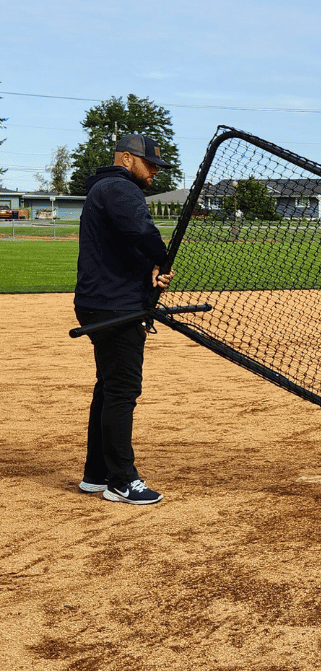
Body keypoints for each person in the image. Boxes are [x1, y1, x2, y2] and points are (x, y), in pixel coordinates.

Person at [74, 133, 175, 505]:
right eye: (150, 164)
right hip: (115, 306)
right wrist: (162, 259)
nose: (154, 173)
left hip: (101, 301)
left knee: (108, 386)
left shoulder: (104, 189)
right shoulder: (120, 188)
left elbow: (127, 244)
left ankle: (96, 474)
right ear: (128, 158)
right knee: (121, 391)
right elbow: (142, 232)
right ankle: (122, 480)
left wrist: (147, 267)